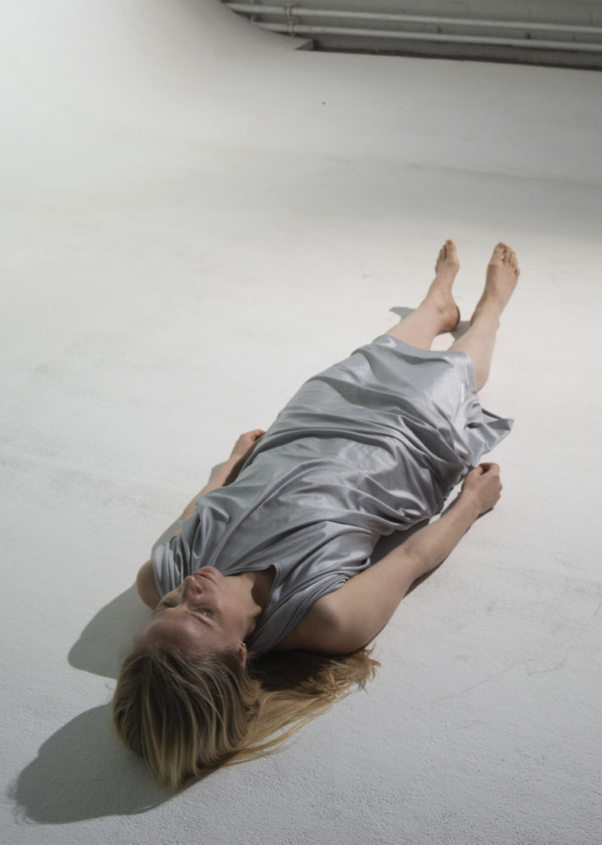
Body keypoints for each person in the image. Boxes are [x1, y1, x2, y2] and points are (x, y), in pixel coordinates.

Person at [112, 239, 520, 788]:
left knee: (364, 363)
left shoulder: (159, 576)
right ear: (239, 655)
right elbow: (411, 560)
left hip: (303, 430)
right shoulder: (326, 618)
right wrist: (471, 504)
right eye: (202, 612)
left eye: (170, 604)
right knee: (448, 379)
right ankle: (490, 310)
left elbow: (199, 510)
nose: (191, 588)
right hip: (394, 451)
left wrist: (231, 464)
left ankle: (436, 305)